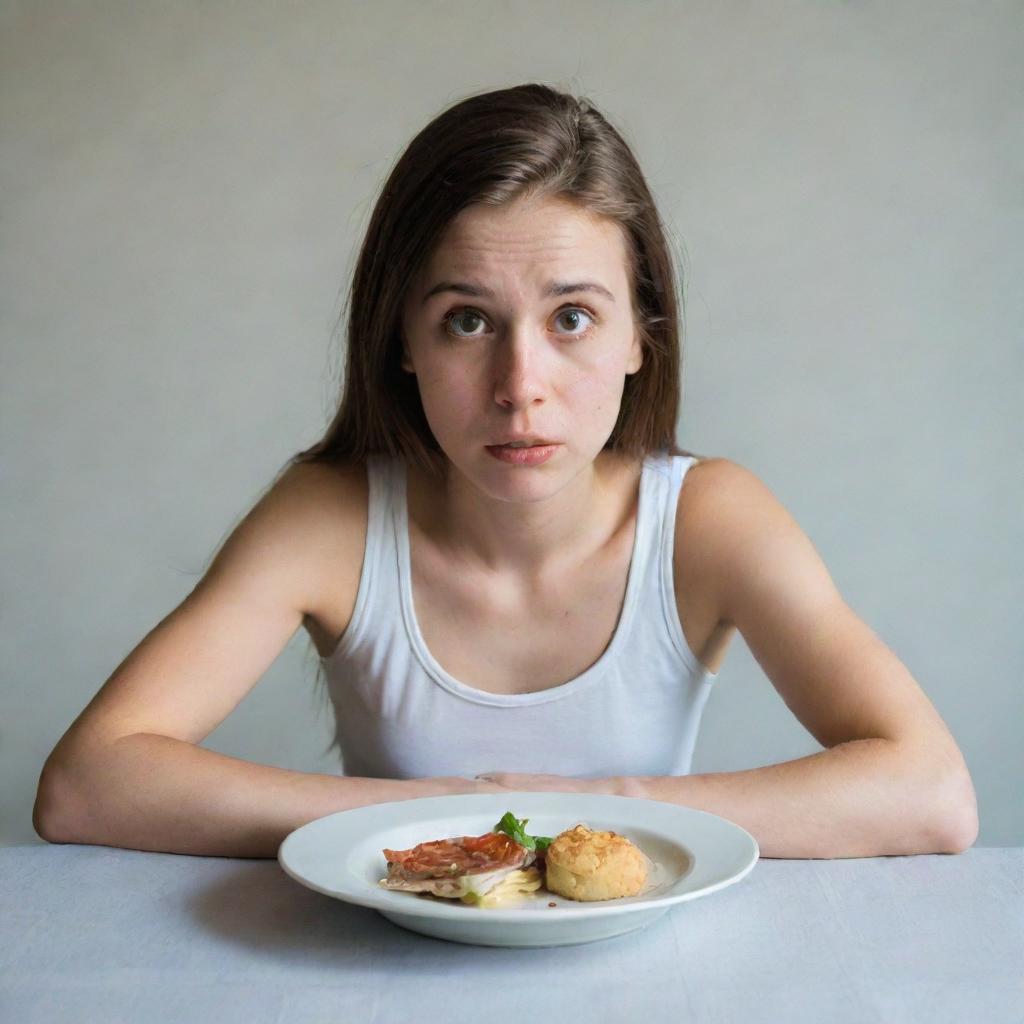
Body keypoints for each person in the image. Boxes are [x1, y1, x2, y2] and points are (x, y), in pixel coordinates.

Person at [33, 83, 977, 860]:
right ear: (401, 339)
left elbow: (932, 794)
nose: (520, 389)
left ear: (641, 338)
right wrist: (436, 816)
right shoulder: (330, 516)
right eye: (467, 320)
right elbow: (88, 784)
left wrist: (599, 804)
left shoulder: (708, 518)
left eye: (572, 317)